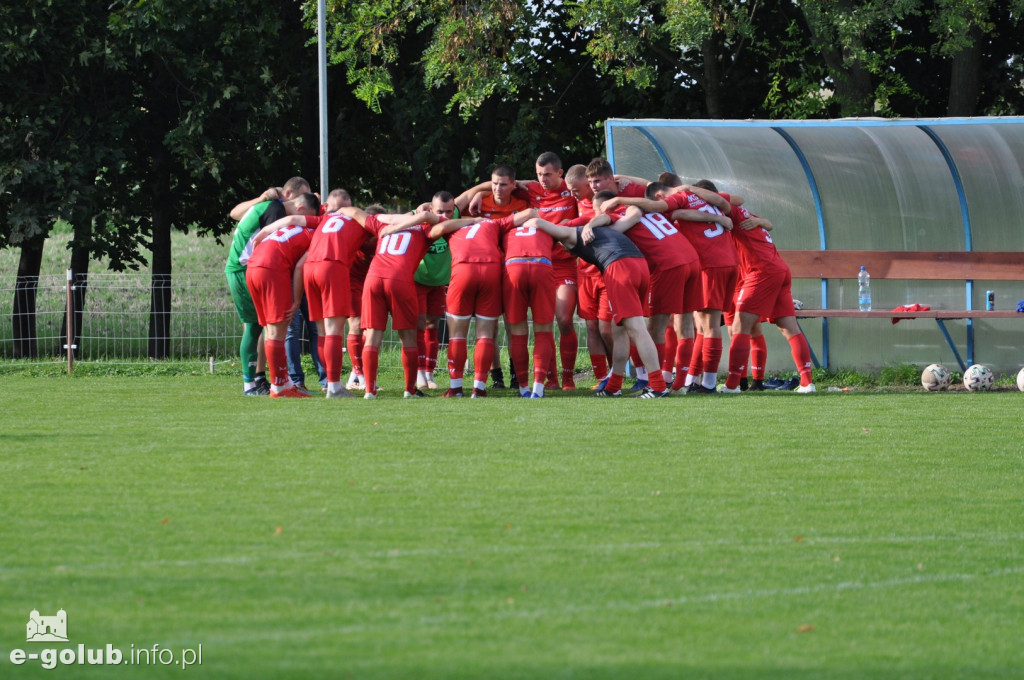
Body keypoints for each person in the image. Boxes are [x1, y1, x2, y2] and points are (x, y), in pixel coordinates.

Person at [524, 192, 670, 398]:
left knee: (637, 329)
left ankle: (658, 386)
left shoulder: (572, 234)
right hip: (639, 265)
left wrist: (525, 220)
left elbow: (538, 224)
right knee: (618, 330)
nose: (563, 249)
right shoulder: (608, 228)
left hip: (619, 268)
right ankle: (614, 386)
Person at [601, 181, 737, 393]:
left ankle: (665, 383)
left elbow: (657, 207)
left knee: (667, 326)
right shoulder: (703, 199)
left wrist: (618, 199)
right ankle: (685, 381)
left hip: (702, 264)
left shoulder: (675, 201)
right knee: (694, 325)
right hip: (712, 261)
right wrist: (711, 209)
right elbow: (731, 201)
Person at [701, 181, 816, 394]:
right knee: (788, 328)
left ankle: (733, 385)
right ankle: (807, 383)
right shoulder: (745, 214)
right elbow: (765, 223)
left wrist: (689, 191)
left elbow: (732, 201)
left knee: (738, 328)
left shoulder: (730, 210)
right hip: (779, 269)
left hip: (761, 272)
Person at [590, 187, 702, 392]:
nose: (598, 214)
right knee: (685, 324)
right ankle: (682, 384)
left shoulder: (619, 215)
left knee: (653, 329)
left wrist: (590, 226)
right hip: (692, 259)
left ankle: (655, 384)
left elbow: (609, 230)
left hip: (668, 265)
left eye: (598, 209)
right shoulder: (643, 208)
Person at [336, 206, 443, 398]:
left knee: (372, 336)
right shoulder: (424, 229)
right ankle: (409, 390)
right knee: (408, 336)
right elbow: (434, 219)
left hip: (373, 277)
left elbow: (352, 211)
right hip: (400, 278)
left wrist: (336, 210)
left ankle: (369, 390)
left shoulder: (380, 223)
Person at [426, 210, 533, 397]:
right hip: (491, 270)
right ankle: (479, 388)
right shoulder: (493, 223)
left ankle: (456, 388)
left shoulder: (453, 226)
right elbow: (529, 213)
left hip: (463, 269)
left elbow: (437, 229)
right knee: (484, 334)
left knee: (457, 335)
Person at [225, 181, 316, 395]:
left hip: (246, 267)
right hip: (244, 267)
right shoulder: (276, 212)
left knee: (263, 325)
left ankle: (263, 380)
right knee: (258, 325)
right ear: (290, 197)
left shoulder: (268, 205)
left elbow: (236, 213)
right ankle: (257, 382)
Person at [584, 158, 650, 390]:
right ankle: (615, 381)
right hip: (614, 268)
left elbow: (659, 191)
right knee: (616, 328)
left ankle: (658, 380)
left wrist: (590, 226)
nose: (594, 185)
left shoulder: (625, 200)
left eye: (599, 180)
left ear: (613, 179)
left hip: (627, 267)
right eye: (590, 181)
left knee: (641, 327)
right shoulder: (592, 200)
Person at [519, 152, 579, 391]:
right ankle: (551, 378)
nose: (542, 179)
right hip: (540, 264)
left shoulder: (571, 189)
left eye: (548, 174)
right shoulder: (531, 189)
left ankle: (568, 378)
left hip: (565, 264)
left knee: (564, 320)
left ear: (560, 173)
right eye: (539, 174)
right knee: (543, 323)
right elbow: (498, 183)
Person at [564, 164, 612, 389]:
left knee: (607, 328)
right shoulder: (577, 202)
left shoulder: (607, 201)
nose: (572, 193)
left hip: (606, 272)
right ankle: (601, 378)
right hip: (584, 272)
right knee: (591, 327)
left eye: (575, 189)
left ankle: (616, 372)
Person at [413, 192, 456, 390]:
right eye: (440, 212)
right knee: (419, 325)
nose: (445, 216)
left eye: (449, 211)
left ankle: (429, 373)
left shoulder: (455, 219)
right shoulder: (417, 218)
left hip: (439, 283)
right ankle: (419, 373)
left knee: (434, 326)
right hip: (418, 280)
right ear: (430, 210)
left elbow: (474, 191)